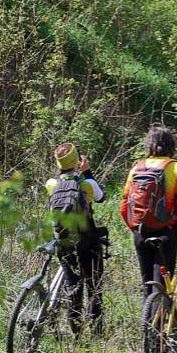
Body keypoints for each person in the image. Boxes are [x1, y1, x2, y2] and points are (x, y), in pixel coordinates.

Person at [120, 125, 177, 298]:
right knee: (162, 289)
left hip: (140, 233)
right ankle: (160, 324)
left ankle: (146, 323)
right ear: (171, 145)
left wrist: (135, 228)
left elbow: (124, 207)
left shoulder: (136, 169)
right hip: (165, 234)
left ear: (149, 145)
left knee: (148, 287)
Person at [46, 142, 107, 336]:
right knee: (94, 283)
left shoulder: (52, 184)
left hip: (63, 242)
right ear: (76, 161)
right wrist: (87, 172)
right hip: (88, 241)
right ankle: (97, 330)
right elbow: (101, 197)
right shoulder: (87, 184)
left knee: (72, 284)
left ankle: (76, 329)